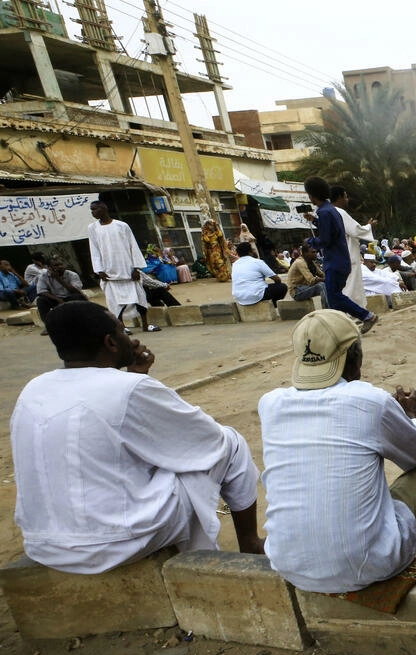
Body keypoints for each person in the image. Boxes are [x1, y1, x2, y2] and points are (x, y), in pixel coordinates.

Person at [12, 301, 264, 573]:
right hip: (114, 543)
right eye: (124, 332)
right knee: (231, 442)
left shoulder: (33, 389)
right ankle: (249, 543)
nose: (131, 339)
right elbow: (209, 441)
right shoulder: (128, 389)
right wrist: (140, 382)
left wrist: (136, 377)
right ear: (110, 342)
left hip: (45, 543)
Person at [258, 310, 416, 592]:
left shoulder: (270, 404)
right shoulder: (370, 400)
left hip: (289, 565)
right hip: (369, 565)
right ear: (355, 357)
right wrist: (409, 417)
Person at [305, 176, 377, 332]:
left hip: (334, 260)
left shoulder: (325, 212)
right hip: (341, 260)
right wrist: (315, 221)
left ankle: (367, 316)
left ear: (312, 194)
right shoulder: (331, 210)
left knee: (335, 296)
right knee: (334, 297)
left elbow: (325, 239)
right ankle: (345, 325)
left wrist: (310, 242)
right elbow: (334, 229)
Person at [88, 201, 159, 333]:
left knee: (140, 298)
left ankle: (145, 325)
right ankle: (122, 327)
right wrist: (99, 270)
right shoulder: (92, 228)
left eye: (94, 209)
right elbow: (95, 250)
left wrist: (136, 268)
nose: (92, 213)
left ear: (104, 208)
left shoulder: (121, 225)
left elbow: (133, 246)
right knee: (115, 303)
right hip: (110, 273)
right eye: (91, 210)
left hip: (128, 271)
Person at [331, 186, 374, 307]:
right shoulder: (339, 213)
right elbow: (355, 230)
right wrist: (369, 226)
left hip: (337, 256)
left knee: (345, 285)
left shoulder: (328, 212)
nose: (347, 199)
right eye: (345, 196)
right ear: (339, 197)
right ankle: (354, 312)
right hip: (348, 255)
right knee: (351, 286)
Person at [33, 257, 87, 326]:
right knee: (41, 300)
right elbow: (42, 291)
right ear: (49, 267)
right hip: (55, 299)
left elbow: (74, 290)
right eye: (56, 265)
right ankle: (49, 325)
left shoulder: (72, 274)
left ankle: (82, 321)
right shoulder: (43, 276)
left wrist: (58, 279)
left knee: (79, 297)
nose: (60, 267)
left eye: (61, 264)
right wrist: (58, 299)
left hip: (70, 297)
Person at [231, 242, 288, 307]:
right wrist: (276, 284)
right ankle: (274, 306)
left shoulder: (235, 264)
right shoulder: (257, 262)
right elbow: (276, 279)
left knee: (263, 287)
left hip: (239, 297)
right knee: (282, 287)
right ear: (250, 252)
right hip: (255, 295)